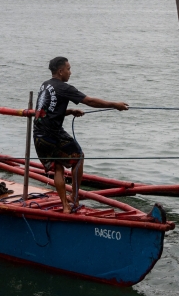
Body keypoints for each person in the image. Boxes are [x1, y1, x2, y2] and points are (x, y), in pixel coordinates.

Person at [33, 56, 128, 213]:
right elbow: (89, 101)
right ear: (60, 71)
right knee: (78, 157)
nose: (70, 72)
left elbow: (47, 111)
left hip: (38, 136)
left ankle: (65, 206)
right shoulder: (64, 88)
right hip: (53, 134)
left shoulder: (45, 85)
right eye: (68, 69)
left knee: (58, 167)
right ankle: (74, 197)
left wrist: (69, 111)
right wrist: (114, 105)